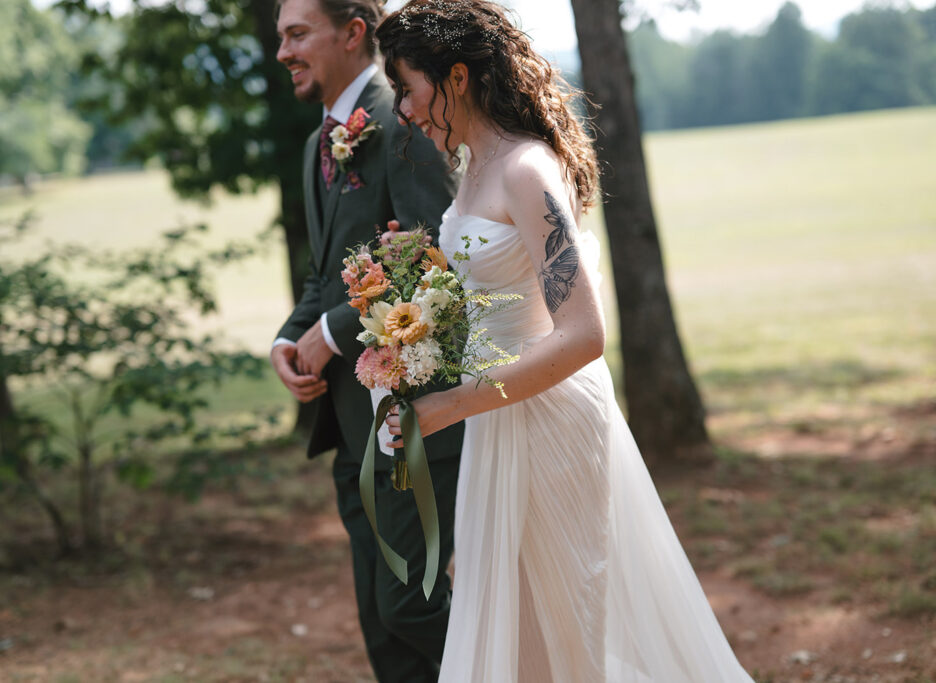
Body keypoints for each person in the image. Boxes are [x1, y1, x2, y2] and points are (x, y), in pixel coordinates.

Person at [376, 1, 755, 681]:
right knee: (515, 627)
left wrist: (452, 405)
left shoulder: (526, 170)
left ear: (455, 77)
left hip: (550, 420)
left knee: (568, 625)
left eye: (408, 87)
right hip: (499, 419)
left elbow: (584, 334)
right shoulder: (472, 169)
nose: (402, 107)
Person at [271, 1, 463, 681]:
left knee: (412, 608)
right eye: (281, 38)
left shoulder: (404, 121)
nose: (283, 52)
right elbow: (325, 273)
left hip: (412, 418)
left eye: (297, 34)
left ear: (353, 33)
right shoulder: (315, 142)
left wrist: (332, 331)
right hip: (351, 429)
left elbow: (433, 255)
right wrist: (292, 337)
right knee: (386, 637)